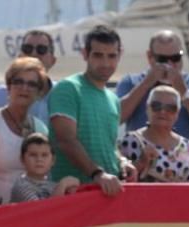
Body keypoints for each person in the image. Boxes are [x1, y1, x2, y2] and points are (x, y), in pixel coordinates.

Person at [48, 25, 136, 197]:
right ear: (85, 54)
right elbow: (65, 140)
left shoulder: (113, 99)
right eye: (98, 55)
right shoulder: (68, 88)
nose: (105, 63)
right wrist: (98, 174)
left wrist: (122, 162)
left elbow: (110, 146)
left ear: (120, 55)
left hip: (106, 195)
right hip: (73, 195)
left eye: (112, 56)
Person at [117, 29, 189, 149]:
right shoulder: (130, 82)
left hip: (182, 162)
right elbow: (116, 118)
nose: (170, 64)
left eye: (175, 58)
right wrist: (146, 84)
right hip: (140, 161)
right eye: (162, 59)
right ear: (150, 57)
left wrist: (184, 91)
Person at [0, 57, 50, 204]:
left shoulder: (41, 128)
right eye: (18, 82)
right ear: (8, 86)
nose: (24, 88)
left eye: (32, 84)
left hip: (30, 211)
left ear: (39, 92)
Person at [118, 85, 189, 183]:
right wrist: (141, 163)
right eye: (156, 106)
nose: (163, 111)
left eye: (170, 108)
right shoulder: (131, 141)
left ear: (177, 113)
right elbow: (121, 180)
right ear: (147, 108)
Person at [0, 30, 58, 125]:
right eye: (27, 48)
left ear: (53, 60)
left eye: (41, 49)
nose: (34, 54)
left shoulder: (65, 95)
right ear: (19, 57)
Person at [10, 132, 80, 202]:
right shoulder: (21, 187)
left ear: (53, 160)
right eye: (33, 155)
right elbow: (43, 210)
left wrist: (71, 188)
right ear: (22, 159)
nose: (39, 159)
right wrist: (63, 185)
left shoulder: (52, 185)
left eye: (44, 155)